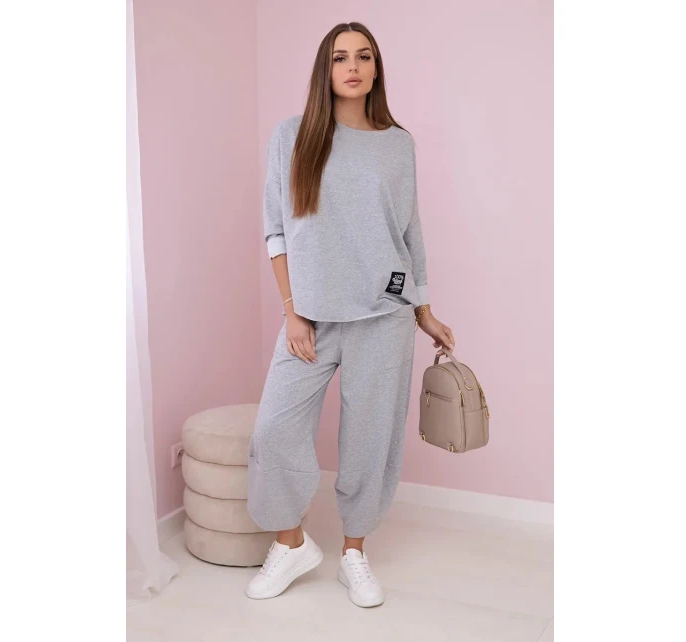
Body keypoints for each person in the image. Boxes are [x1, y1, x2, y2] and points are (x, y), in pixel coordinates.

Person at [245, 22, 454, 608]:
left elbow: (409, 231)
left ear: (376, 68)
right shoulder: (293, 136)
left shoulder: (398, 144)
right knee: (274, 430)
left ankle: (354, 554)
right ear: (326, 68)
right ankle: (291, 543)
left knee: (369, 440)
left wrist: (424, 310)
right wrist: (293, 312)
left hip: (385, 316)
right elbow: (276, 229)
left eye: (364, 56)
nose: (353, 66)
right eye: (341, 58)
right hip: (311, 318)